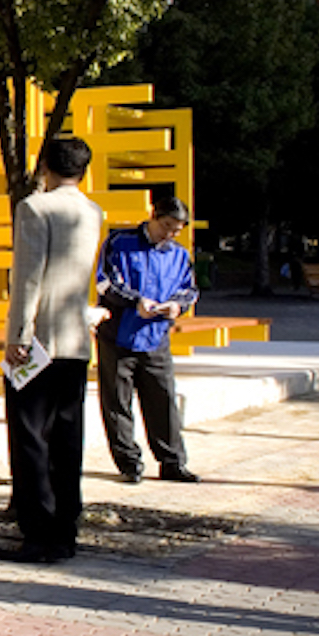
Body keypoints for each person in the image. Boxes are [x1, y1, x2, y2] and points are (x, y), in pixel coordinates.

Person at [0, 136, 105, 564]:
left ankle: (38, 532)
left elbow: (28, 277)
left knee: (29, 438)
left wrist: (18, 336)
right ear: (84, 169)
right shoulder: (94, 212)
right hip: (76, 338)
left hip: (39, 339)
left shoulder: (34, 208)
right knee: (66, 437)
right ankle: (66, 527)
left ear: (44, 166)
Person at [95, 194, 202, 485]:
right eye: (166, 225)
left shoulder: (178, 254)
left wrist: (177, 306)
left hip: (156, 336)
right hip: (118, 333)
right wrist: (134, 301)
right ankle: (129, 462)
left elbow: (189, 289)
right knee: (117, 401)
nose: (168, 234)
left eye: (176, 230)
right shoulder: (119, 242)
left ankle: (172, 461)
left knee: (164, 399)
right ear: (153, 216)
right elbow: (105, 281)